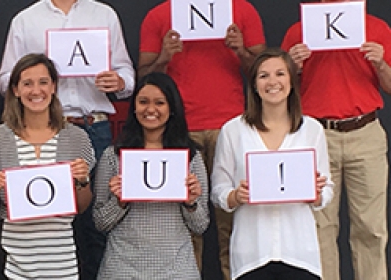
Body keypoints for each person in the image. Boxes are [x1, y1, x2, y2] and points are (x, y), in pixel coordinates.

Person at [0, 1, 134, 277]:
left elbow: (127, 74)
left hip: (94, 126)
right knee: (45, 219)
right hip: (42, 130)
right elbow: (3, 80)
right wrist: (34, 81)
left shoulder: (104, 14)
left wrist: (119, 82)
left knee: (97, 223)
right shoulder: (26, 19)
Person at [137, 0, 266, 276]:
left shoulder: (241, 9)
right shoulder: (159, 15)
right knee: (185, 220)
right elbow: (143, 78)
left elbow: (264, 75)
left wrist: (241, 50)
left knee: (233, 221)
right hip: (179, 130)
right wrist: (164, 57)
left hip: (231, 129)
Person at [282, 1, 391, 279]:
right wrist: (291, 67)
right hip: (316, 135)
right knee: (320, 225)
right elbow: (278, 89)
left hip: (365, 132)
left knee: (371, 227)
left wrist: (380, 63)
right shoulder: (299, 31)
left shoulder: (377, 29)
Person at [210, 48, 334, 280]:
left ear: (291, 81)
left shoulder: (312, 129)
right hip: (251, 253)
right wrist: (236, 196)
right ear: (254, 84)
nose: (272, 82)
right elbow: (218, 191)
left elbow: (327, 190)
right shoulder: (233, 131)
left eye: (280, 74)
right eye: (263, 75)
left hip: (299, 251)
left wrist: (317, 193)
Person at [0, 53, 95, 279]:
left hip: (62, 260)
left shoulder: (76, 138)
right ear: (16, 90)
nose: (36, 91)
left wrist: (82, 181)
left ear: (53, 87)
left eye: (43, 82)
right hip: (13, 261)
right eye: (27, 83)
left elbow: (81, 207)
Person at [92, 72, 209, 279]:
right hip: (123, 268)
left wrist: (191, 203)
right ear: (134, 107)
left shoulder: (190, 156)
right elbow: (100, 222)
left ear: (172, 108)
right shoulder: (114, 156)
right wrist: (120, 201)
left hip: (176, 269)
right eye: (143, 102)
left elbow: (200, 225)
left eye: (160, 103)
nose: (151, 109)